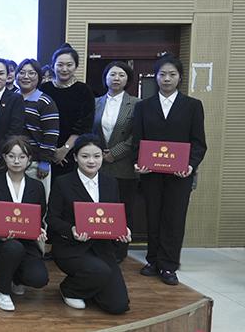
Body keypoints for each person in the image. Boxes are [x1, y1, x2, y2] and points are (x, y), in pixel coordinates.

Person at [133, 54, 206, 285]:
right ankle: (153, 260)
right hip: (151, 174)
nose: (167, 79)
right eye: (162, 74)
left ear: (180, 77)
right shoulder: (143, 106)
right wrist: (138, 162)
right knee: (153, 216)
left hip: (179, 175)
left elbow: (198, 143)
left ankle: (168, 265)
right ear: (155, 77)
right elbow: (137, 140)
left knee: (174, 218)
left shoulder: (193, 106)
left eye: (172, 74)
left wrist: (190, 165)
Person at [47, 134, 131, 314]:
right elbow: (51, 219)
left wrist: (123, 230)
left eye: (96, 156)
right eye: (85, 156)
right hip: (71, 248)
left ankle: (91, 286)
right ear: (75, 157)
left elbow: (115, 216)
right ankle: (69, 289)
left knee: (118, 306)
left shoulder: (110, 182)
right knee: (100, 271)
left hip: (102, 248)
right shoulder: (63, 183)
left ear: (102, 156)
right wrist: (71, 230)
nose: (91, 161)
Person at [0, 136, 49, 312]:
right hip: (0, 244)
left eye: (22, 156)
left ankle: (17, 278)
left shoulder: (37, 186)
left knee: (39, 279)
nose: (16, 161)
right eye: (11, 156)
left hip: (28, 244)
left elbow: (39, 216)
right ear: (4, 157)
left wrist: (40, 229)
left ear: (29, 159)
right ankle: (1, 290)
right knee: (13, 247)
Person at [93, 61, 140, 262]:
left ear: (127, 79)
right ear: (105, 78)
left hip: (123, 166)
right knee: (100, 210)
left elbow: (137, 135)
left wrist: (114, 153)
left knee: (122, 210)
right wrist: (98, 154)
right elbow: (90, 131)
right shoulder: (96, 102)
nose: (116, 79)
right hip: (98, 166)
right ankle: (100, 248)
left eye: (121, 75)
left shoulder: (136, 104)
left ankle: (120, 251)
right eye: (112, 74)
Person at [40, 44, 95, 178]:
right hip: (43, 151)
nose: (64, 69)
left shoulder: (84, 90)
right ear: (53, 66)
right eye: (60, 65)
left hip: (72, 152)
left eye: (69, 65)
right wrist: (49, 151)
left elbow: (84, 125)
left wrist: (64, 150)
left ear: (76, 66)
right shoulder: (44, 89)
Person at [15, 58, 60, 197]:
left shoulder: (45, 101)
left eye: (31, 73)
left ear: (39, 77)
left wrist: (45, 161)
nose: (26, 76)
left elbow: (51, 133)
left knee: (36, 202)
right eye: (22, 72)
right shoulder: (11, 98)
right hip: (13, 160)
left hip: (36, 162)